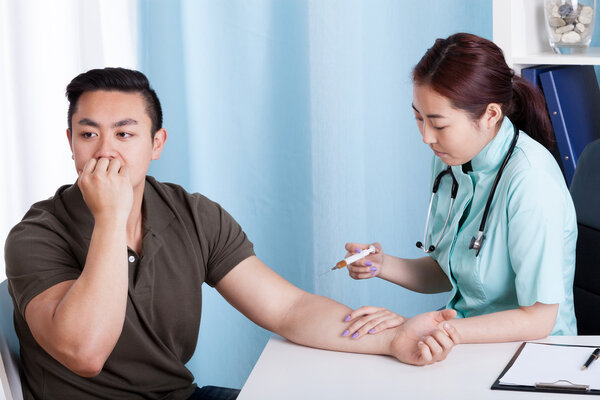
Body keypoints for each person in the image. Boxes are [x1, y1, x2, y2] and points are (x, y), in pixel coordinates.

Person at [4, 67, 459, 400]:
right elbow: (85, 353)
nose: (106, 152)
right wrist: (109, 219)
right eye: (88, 136)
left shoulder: (193, 215)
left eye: (125, 134)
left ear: (156, 144)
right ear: (70, 143)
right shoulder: (36, 236)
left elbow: (288, 308)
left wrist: (393, 340)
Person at [341, 33, 577, 343]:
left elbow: (539, 320)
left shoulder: (531, 182)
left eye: (438, 124)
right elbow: (450, 271)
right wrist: (382, 265)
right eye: (418, 118)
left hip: (533, 355)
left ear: (491, 114)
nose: (426, 136)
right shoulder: (451, 161)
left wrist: (427, 329)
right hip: (466, 342)